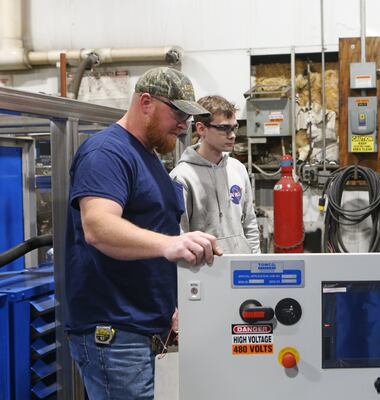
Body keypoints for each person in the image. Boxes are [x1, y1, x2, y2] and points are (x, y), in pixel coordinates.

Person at [64, 67, 222, 400]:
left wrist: (175, 302)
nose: (183, 125)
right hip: (117, 335)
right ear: (146, 102)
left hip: (146, 329)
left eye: (187, 117)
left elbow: (154, 231)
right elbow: (98, 227)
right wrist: (171, 244)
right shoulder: (106, 153)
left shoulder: (147, 158)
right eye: (176, 113)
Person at [170, 95, 260, 254]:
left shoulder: (238, 169)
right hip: (206, 271)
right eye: (224, 128)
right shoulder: (182, 177)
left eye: (234, 127)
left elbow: (249, 223)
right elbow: (179, 234)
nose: (232, 135)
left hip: (242, 271)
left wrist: (256, 261)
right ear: (201, 128)